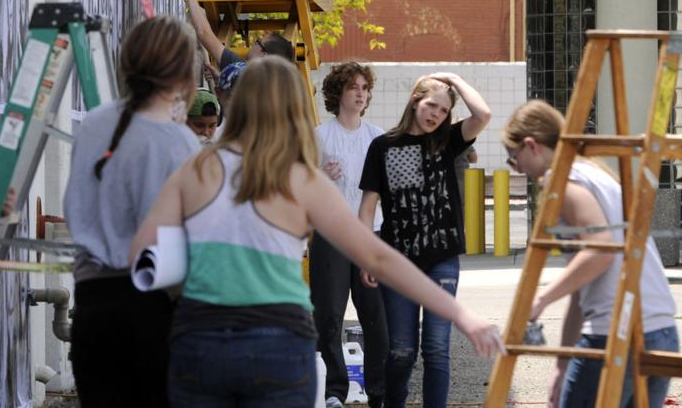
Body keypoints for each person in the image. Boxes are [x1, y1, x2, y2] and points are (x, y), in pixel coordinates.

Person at [132, 57, 504, 408]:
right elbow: (377, 257)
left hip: (202, 334)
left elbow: (144, 257)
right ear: (293, 107)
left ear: (238, 102)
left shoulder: (195, 168)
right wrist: (461, 315)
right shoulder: (302, 178)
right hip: (279, 337)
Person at [63, 15, 202, 407]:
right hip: (154, 304)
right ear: (183, 72)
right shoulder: (178, 142)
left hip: (92, 304)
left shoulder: (93, 124)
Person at [504, 100, 678, 408]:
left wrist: (540, 299)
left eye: (513, 157)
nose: (516, 167)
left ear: (531, 145)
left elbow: (600, 250)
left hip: (615, 334)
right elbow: (582, 287)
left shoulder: (563, 181)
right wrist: (562, 365)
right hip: (661, 331)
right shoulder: (595, 174)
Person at [358, 72, 493, 408]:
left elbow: (483, 115)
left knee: (436, 348)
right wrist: (366, 256)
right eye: (432, 105)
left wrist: (453, 79)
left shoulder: (446, 141)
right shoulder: (382, 146)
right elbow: (368, 207)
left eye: (444, 111)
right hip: (397, 262)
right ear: (415, 100)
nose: (437, 114)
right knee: (402, 351)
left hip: (442, 259)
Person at [311, 62, 387, 408]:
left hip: (371, 234)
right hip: (330, 234)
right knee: (329, 315)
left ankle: (378, 390)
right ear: (338, 93)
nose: (361, 93)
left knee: (375, 315)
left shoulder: (377, 137)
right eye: (353, 87)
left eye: (364, 88)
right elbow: (300, 185)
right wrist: (321, 176)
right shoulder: (319, 136)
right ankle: (334, 390)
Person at [183, 0, 294, 69]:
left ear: (264, 54)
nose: (253, 44)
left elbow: (204, 33)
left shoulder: (241, 71)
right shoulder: (257, 80)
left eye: (258, 42)